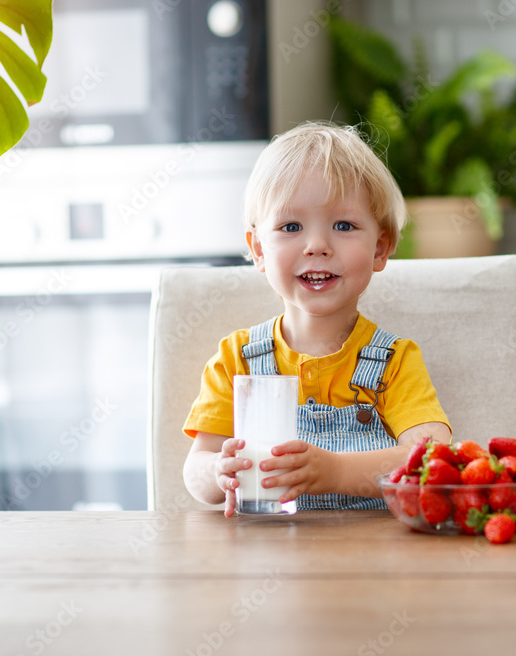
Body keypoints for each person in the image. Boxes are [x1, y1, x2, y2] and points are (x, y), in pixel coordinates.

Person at [183, 122, 452, 517]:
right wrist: (217, 472)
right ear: (258, 249)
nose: (317, 246)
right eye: (291, 226)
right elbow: (196, 468)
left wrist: (337, 472)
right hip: (269, 559)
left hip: (370, 563)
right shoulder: (237, 357)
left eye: (343, 226)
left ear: (380, 248)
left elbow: (432, 458)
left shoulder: (393, 360)